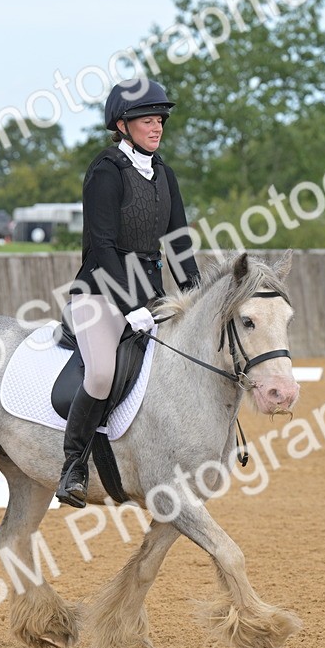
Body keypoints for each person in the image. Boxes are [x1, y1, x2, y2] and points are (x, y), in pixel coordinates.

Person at [55, 79, 201, 508]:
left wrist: (194, 292)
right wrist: (129, 305)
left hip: (150, 292)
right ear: (122, 124)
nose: (156, 128)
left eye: (160, 120)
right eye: (147, 121)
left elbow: (177, 239)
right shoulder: (106, 172)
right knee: (101, 373)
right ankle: (74, 466)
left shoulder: (163, 173)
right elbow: (101, 246)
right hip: (100, 293)